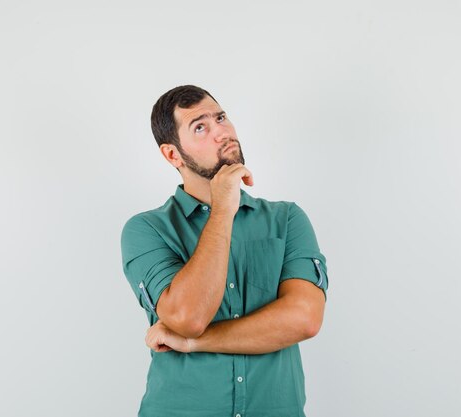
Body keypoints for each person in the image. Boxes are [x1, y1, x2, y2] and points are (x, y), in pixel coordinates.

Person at [120, 85, 330, 417]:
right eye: (200, 127)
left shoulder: (287, 219)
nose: (222, 132)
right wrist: (222, 211)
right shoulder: (146, 230)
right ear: (173, 155)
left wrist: (196, 343)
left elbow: (304, 319)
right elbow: (188, 317)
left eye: (220, 117)